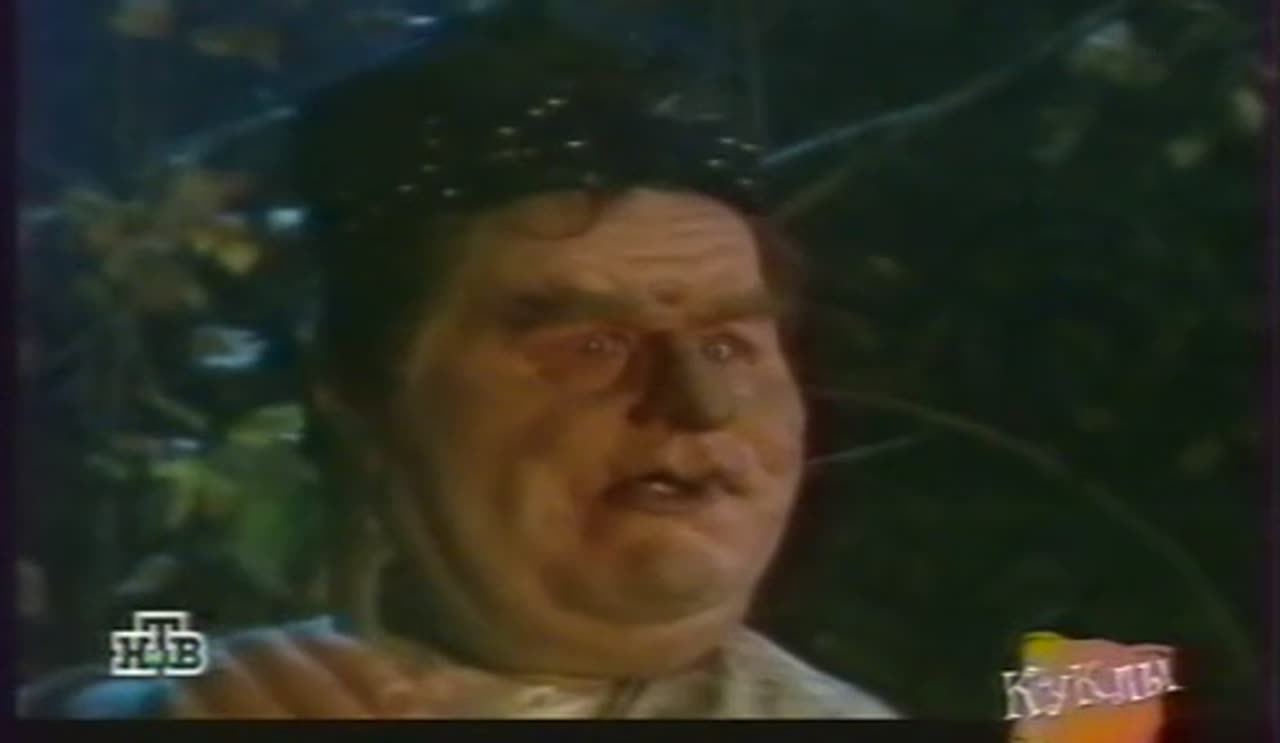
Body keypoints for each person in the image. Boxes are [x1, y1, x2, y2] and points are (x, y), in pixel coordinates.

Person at [18, 26, 900, 720]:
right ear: (362, 394)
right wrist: (120, 703)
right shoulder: (253, 627)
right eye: (593, 345)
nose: (699, 405)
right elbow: (128, 644)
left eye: (730, 345)